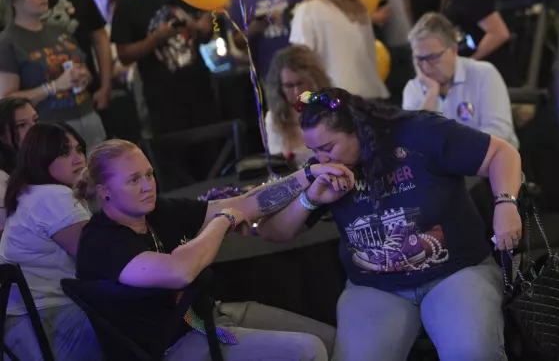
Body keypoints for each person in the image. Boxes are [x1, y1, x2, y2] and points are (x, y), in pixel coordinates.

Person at [257, 87, 523, 361]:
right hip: (374, 287)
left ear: (357, 130)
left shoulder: (418, 132)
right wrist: (312, 198)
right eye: (314, 151)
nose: (322, 159)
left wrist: (505, 203)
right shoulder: (325, 170)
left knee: (471, 354)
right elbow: (271, 230)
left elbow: (502, 154)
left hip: (456, 272)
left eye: (327, 148)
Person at [74, 139, 340, 359]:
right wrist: (224, 220)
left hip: (208, 315)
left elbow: (244, 204)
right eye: (134, 180)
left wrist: (307, 175)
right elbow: (180, 271)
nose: (148, 186)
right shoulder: (100, 242)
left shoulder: (156, 212)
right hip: (170, 346)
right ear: (104, 191)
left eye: (149, 174)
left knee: (332, 340)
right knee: (308, 350)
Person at [0, 123, 102, 361]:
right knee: (149, 307)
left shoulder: (29, 193)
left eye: (79, 149)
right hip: (48, 328)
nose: (78, 159)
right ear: (40, 158)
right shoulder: (52, 196)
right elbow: (101, 261)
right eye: (64, 152)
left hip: (21, 332)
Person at [111, 0, 218, 136]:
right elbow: (124, 55)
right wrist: (155, 39)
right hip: (162, 99)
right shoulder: (128, 5)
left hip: (200, 88)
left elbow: (209, 28)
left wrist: (200, 26)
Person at [8, 0, 114, 112]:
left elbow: (100, 38)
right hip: (38, 108)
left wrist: (106, 85)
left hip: (87, 96)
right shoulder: (8, 3)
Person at [0, 0, 106, 148]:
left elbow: (79, 64)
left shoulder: (59, 29)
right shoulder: (8, 41)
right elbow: (7, 100)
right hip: (51, 127)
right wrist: (54, 87)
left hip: (87, 116)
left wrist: (83, 75)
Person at [403, 13, 518, 148]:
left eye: (433, 57)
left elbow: (499, 133)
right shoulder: (413, 88)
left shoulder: (484, 74)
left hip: (492, 165)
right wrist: (431, 94)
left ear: (453, 49)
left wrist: (451, 150)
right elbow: (413, 143)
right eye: (419, 59)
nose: (426, 67)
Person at [289, 0, 389, 100]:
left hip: (337, 101)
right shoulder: (356, 5)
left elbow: (301, 63)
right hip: (371, 94)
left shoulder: (307, 11)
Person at [264, 45, 332, 167]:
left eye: (300, 83)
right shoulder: (273, 118)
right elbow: (278, 164)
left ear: (313, 81)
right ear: (279, 88)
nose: (296, 92)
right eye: (289, 86)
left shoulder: (330, 108)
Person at [0, 97, 38, 233]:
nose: (35, 129)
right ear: (2, 136)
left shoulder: (41, 163)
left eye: (35, 120)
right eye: (22, 125)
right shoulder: (2, 180)